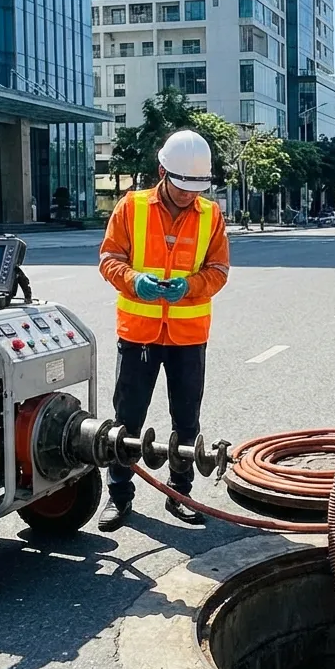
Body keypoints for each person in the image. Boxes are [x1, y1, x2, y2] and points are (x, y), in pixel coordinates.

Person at [96, 129, 231, 531]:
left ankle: (180, 493)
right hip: (139, 333)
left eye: (196, 188)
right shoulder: (131, 207)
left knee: (186, 420)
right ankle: (119, 495)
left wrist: (190, 286)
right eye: (182, 186)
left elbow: (219, 270)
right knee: (127, 419)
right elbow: (109, 258)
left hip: (188, 336)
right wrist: (134, 280)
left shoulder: (211, 215)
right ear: (162, 172)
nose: (189, 195)